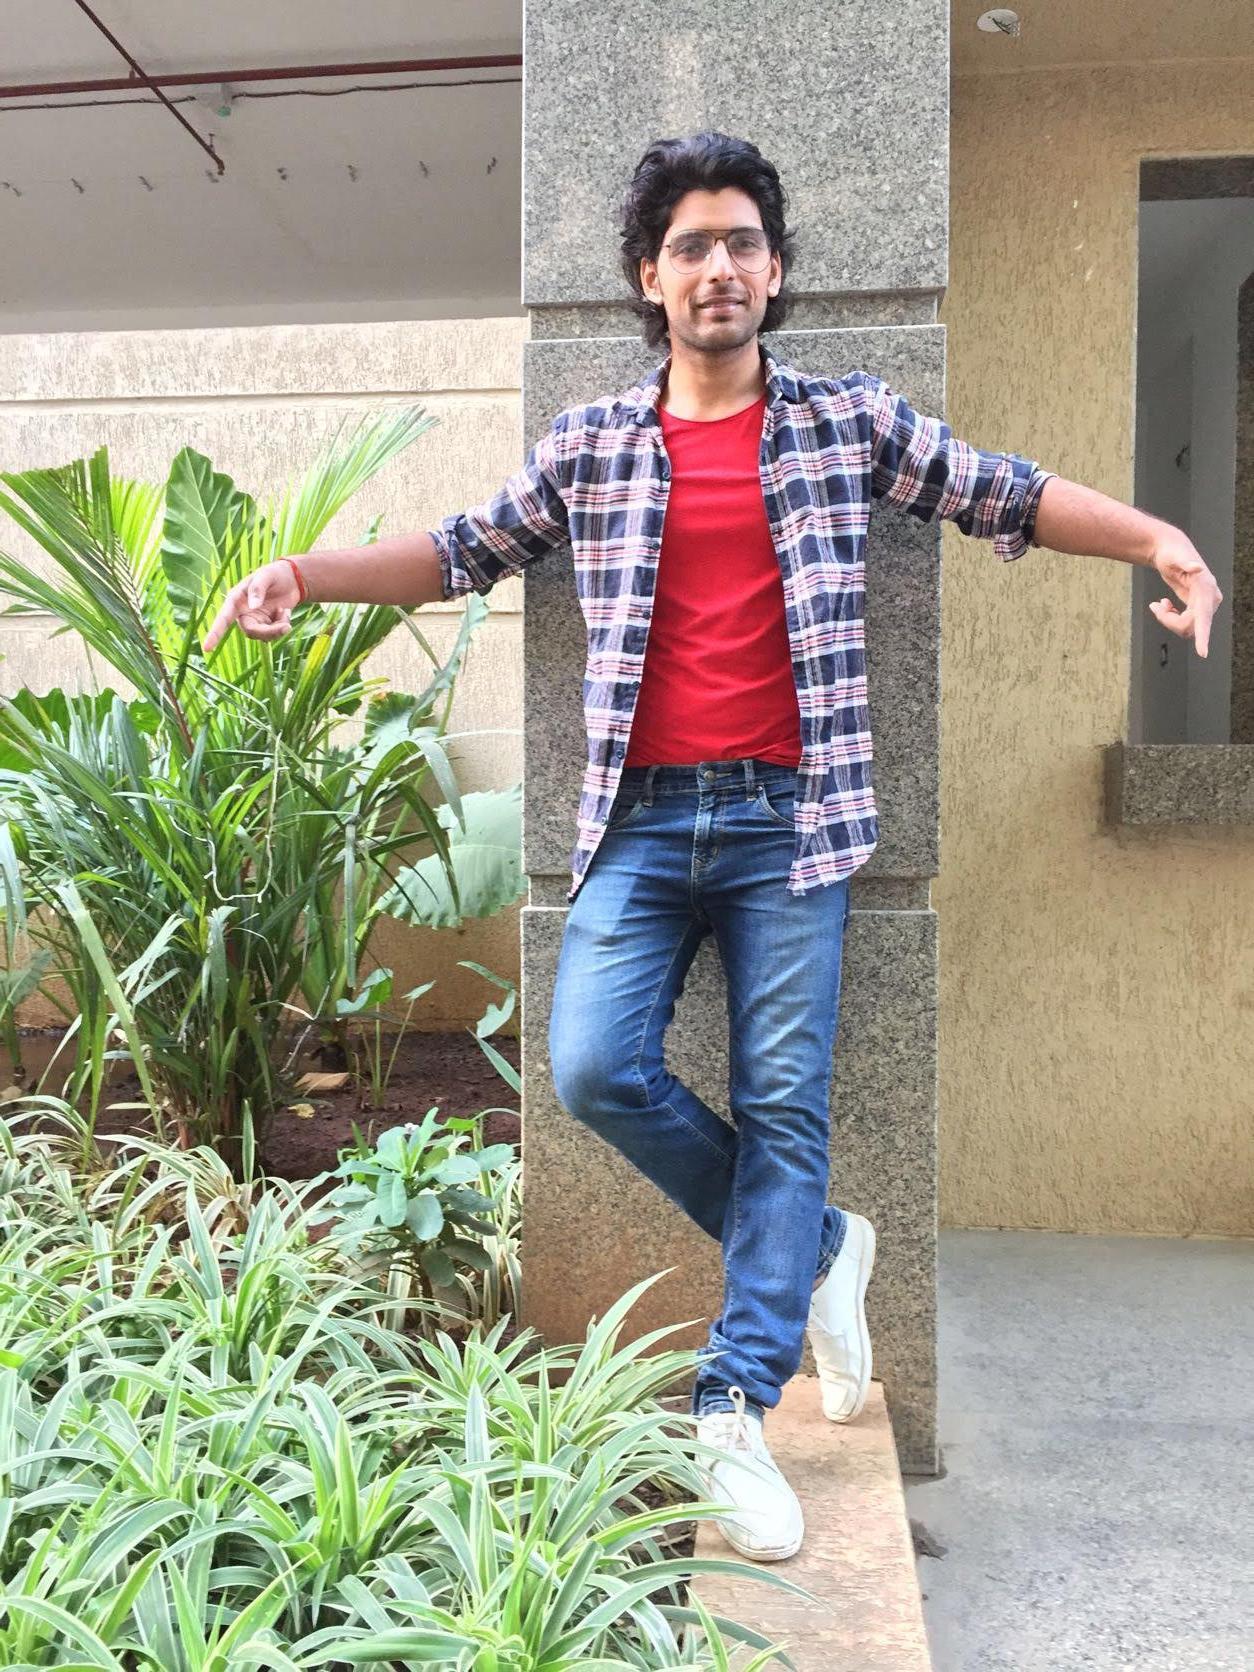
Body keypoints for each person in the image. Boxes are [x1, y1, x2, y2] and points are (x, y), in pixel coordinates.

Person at [203, 132, 1222, 1564]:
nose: (719, 266)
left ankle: (733, 1405)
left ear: (776, 270)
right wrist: (303, 575)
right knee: (592, 1068)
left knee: (784, 1105)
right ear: (650, 277)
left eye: (742, 241)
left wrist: (1158, 538)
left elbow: (999, 489)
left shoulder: (844, 423)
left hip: (792, 823)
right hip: (638, 819)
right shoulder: (594, 446)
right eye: (690, 245)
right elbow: (458, 549)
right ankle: (816, 1249)